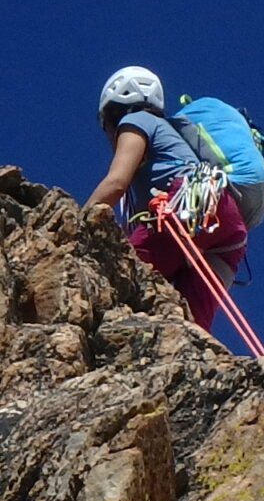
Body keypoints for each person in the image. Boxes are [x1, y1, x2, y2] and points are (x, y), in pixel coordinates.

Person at [82, 65, 248, 331]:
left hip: (187, 205)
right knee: (189, 329)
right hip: (226, 226)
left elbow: (116, 182)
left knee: (114, 273)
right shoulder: (167, 131)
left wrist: (76, 226)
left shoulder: (135, 121)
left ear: (113, 114)